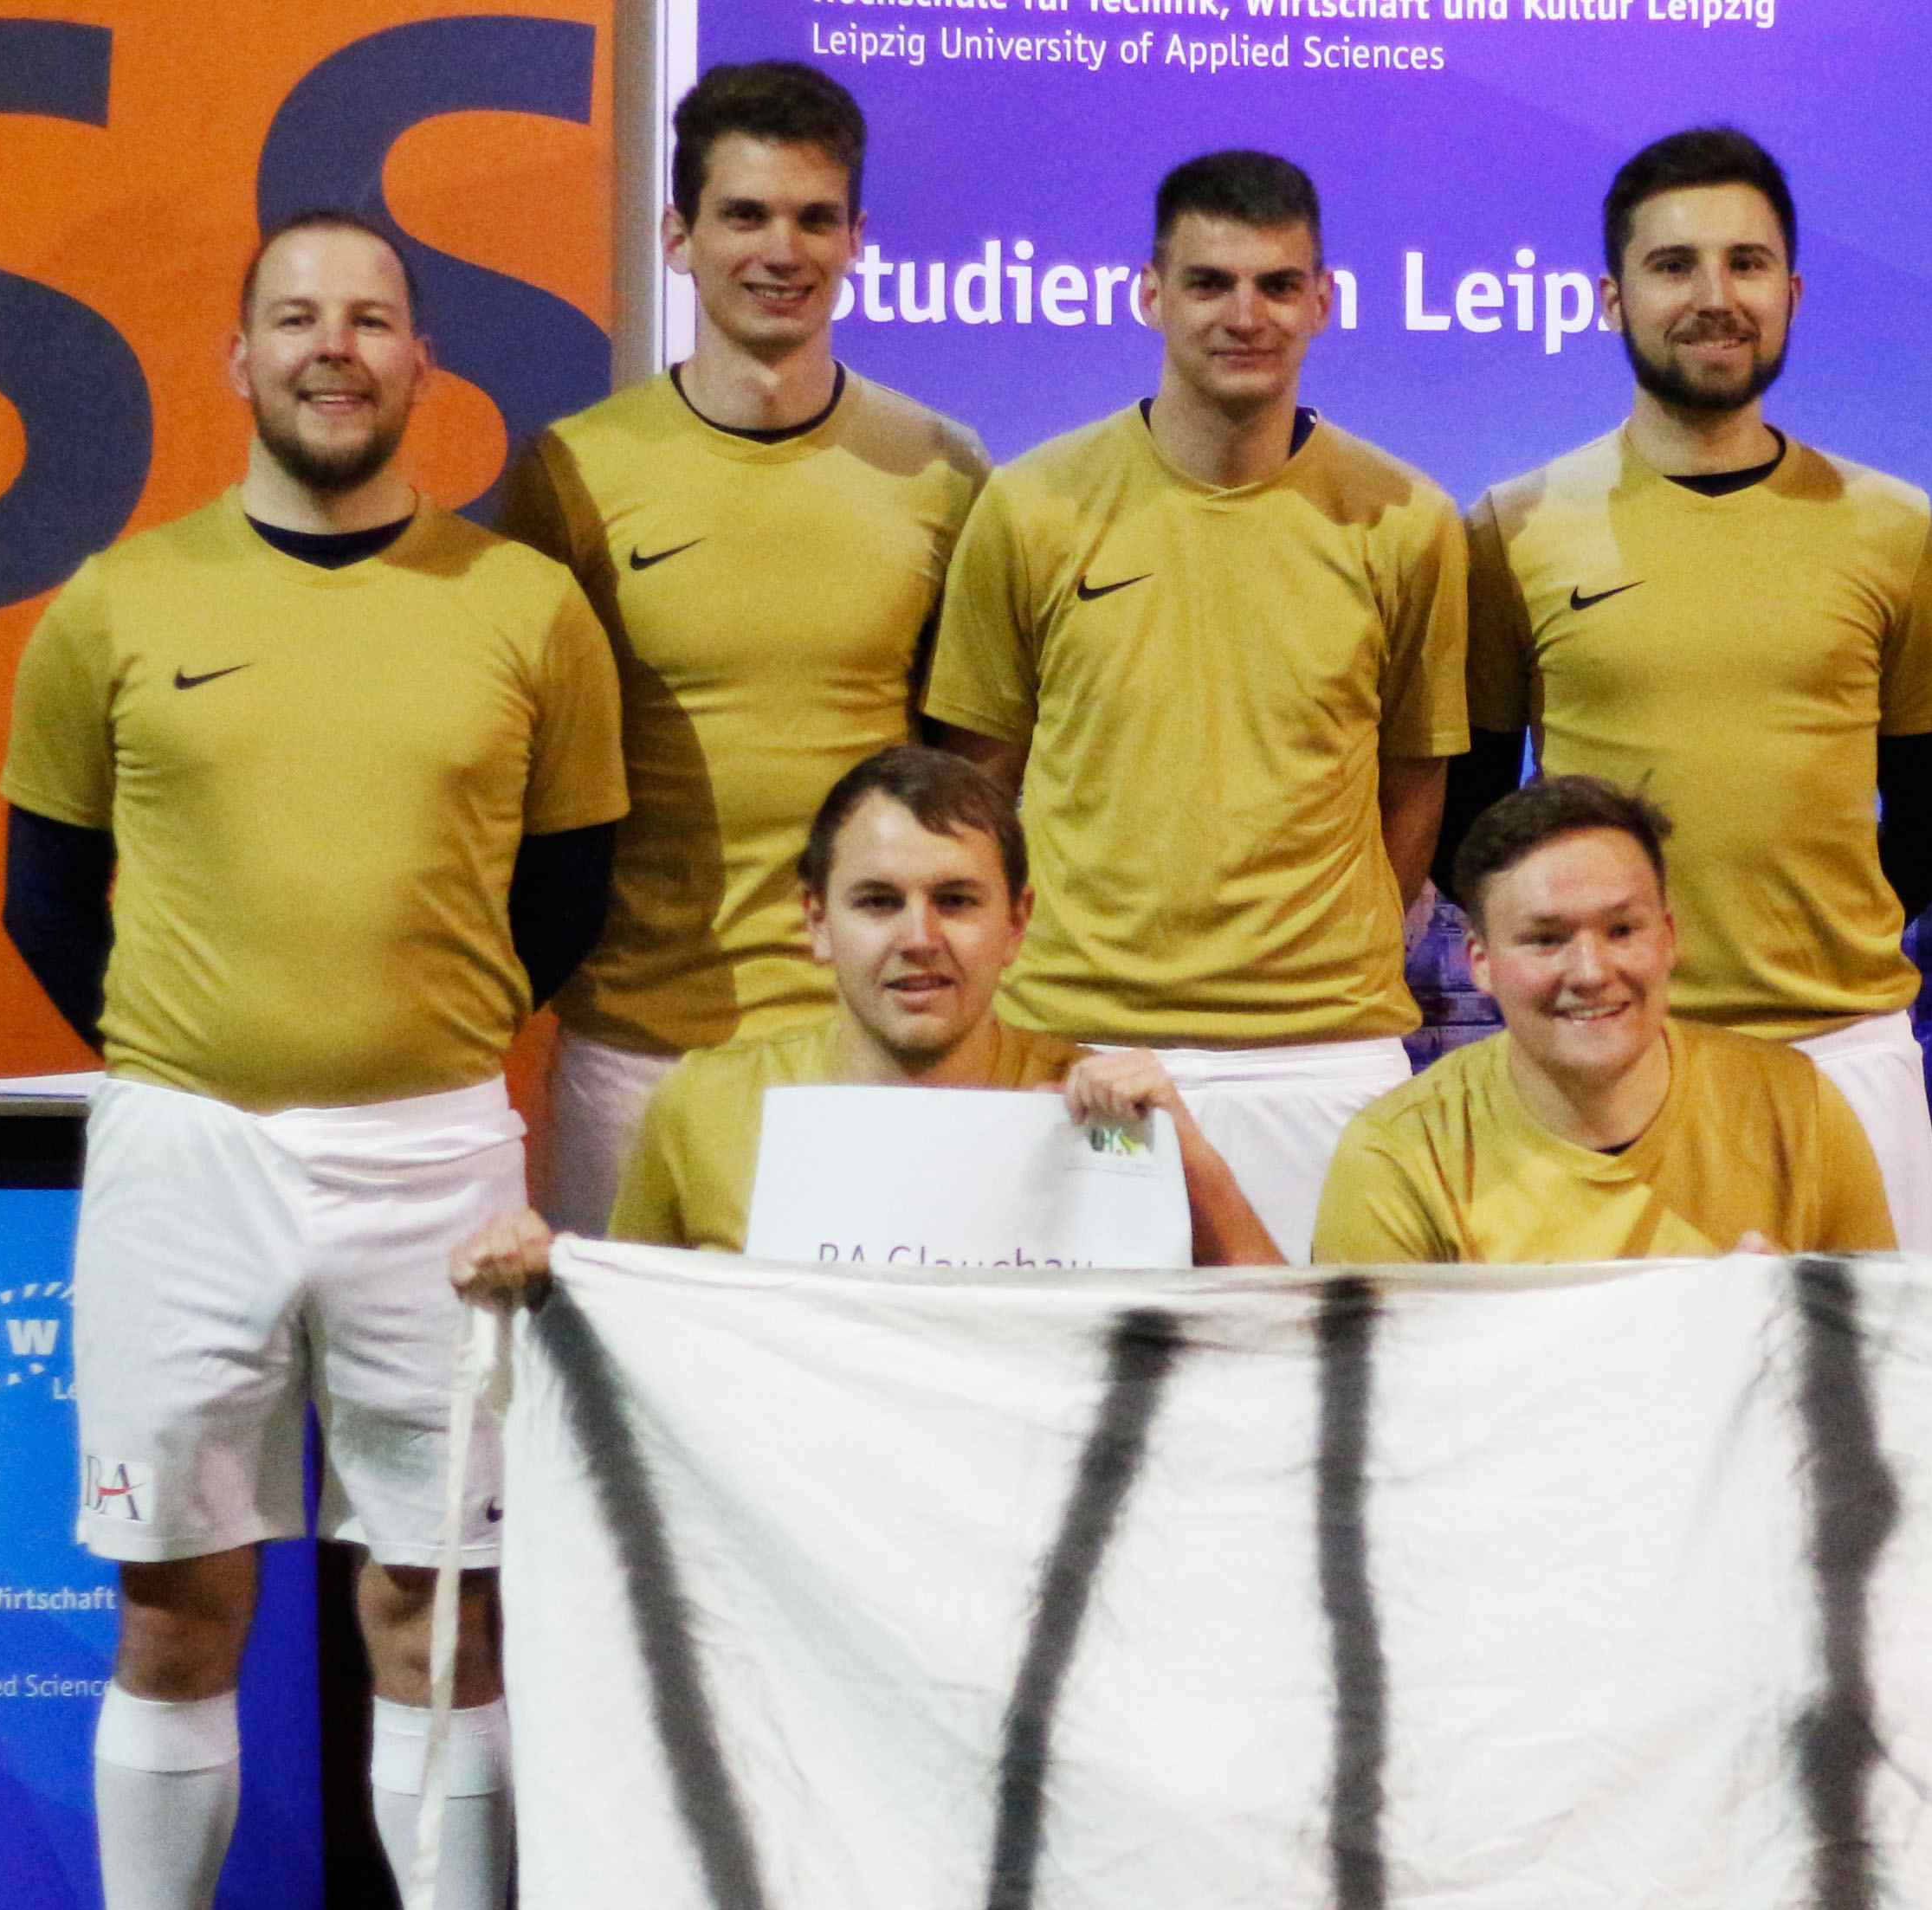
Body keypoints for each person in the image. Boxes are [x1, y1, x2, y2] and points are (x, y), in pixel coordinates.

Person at [0, 210, 627, 1910]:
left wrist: (409, 1039)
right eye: (295, 316)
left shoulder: (523, 607)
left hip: (437, 1156)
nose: (332, 348)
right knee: (175, 1600)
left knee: (442, 1611)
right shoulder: (115, 600)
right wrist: (201, 1050)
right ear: (239, 356)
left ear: (422, 360)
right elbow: (44, 893)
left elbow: (569, 890)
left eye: (369, 318)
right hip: (181, 1153)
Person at [924, 150, 1465, 1263]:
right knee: (1083, 1367)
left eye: (1277, 285)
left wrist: (1317, 950)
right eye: (1209, 282)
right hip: (1074, 1039)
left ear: (1324, 300)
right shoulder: (1031, 507)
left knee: (1312, 1366)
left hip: (1324, 1056)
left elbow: (1416, 783)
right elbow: (974, 787)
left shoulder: (1407, 520)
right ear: (1149, 293)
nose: (1244, 315)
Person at [1455, 126, 1932, 1251]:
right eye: (1673, 265)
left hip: (1843, 1053)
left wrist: (1806, 934)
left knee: (1865, 1369)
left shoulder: (1893, 526)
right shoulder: (1513, 528)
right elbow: (1474, 815)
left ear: (1790, 293)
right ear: (1611, 297)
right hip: (1607, 1063)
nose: (1714, 297)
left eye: (1745, 264)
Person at [497, 61, 991, 1236]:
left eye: (815, 218)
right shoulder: (572, 473)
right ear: (679, 236)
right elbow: (522, 772)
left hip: (872, 1045)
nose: (782, 249)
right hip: (635, 1052)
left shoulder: (942, 470)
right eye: (745, 215)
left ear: (857, 239)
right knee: (623, 1362)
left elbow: (979, 769)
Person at [449, 747, 1276, 1286]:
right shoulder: (704, 1105)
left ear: (1018, 924)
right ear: (816, 921)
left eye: (957, 900)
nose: (919, 938)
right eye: (878, 901)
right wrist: (535, 1287)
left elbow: (1288, 1339)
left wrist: (1185, 1151)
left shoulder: (1102, 1109)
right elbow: (631, 1351)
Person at [1312, 777, 1895, 1263]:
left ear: (1668, 937)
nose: (1591, 972)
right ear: (1480, 963)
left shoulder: (1798, 1114)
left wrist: (1792, 1323)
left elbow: (1877, 1349)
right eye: (1546, 939)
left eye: (1621, 931)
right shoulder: (1400, 1157)